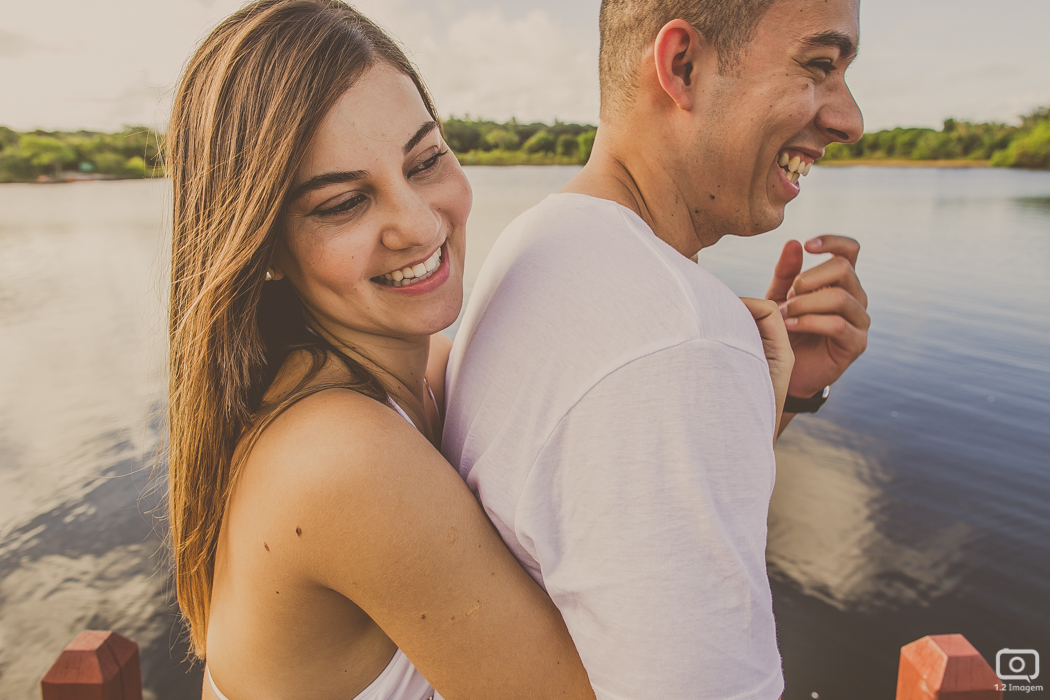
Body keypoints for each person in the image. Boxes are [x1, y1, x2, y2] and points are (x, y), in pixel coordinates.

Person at [165, 2, 598, 698]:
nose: (420, 222)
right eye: (343, 203)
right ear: (263, 247)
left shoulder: (424, 374)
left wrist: (768, 394)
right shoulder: (342, 456)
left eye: (426, 160)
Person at [442, 0, 870, 698]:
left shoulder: (542, 239)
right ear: (683, 66)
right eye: (820, 65)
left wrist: (783, 393)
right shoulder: (678, 336)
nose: (850, 119)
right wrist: (709, 359)